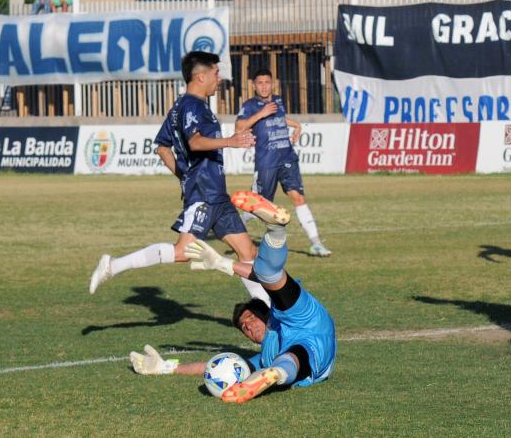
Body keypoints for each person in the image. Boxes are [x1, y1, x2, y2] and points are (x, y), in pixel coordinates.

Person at [89, 51, 270, 306]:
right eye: (216, 74)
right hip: (204, 194)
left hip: (215, 194)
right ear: (200, 77)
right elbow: (195, 142)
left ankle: (269, 314)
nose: (219, 79)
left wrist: (184, 175)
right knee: (182, 252)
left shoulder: (180, 107)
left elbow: (162, 147)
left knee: (248, 252)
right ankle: (113, 265)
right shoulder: (192, 106)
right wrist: (231, 141)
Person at [130, 192, 336, 404]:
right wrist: (165, 367)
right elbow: (213, 365)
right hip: (313, 356)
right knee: (289, 359)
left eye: (250, 319)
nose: (248, 326)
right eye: (244, 328)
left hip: (303, 319)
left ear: (265, 315)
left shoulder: (278, 313)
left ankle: (276, 228)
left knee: (268, 275)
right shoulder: (265, 355)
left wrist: (222, 263)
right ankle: (275, 374)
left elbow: (259, 276)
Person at [236, 69, 331, 257]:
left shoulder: (278, 100)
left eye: (267, 82)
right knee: (261, 206)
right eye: (260, 83)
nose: (264, 86)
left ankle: (316, 243)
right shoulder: (250, 105)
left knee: (298, 198)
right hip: (266, 162)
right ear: (254, 86)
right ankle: (239, 223)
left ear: (273, 83)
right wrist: (261, 114)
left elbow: (279, 118)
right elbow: (239, 127)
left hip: (287, 158)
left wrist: (296, 125)